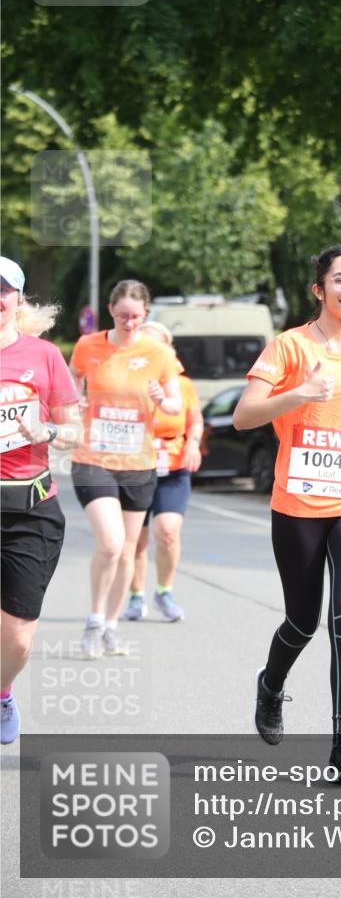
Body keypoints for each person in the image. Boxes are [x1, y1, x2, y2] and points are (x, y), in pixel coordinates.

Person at [233, 244, 341, 778]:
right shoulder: (288, 347)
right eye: (340, 280)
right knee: (303, 620)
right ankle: (271, 685)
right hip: (298, 503)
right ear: (319, 289)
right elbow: (243, 418)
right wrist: (300, 393)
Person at [69, 280, 181, 659]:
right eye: (121, 316)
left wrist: (161, 398)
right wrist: (73, 406)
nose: (129, 322)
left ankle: (112, 625)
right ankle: (94, 619)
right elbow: (70, 385)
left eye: (135, 316)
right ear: (111, 311)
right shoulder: (89, 346)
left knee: (129, 549)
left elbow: (175, 409)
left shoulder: (159, 353)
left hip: (139, 463)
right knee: (112, 543)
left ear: (146, 313)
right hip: (93, 459)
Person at [0, 257, 82, 744]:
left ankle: (2, 690)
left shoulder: (44, 356)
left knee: (18, 635)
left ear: (17, 299)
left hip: (29, 508)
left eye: (2, 290)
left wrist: (46, 429)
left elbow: (74, 430)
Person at [122, 321, 203, 623]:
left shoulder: (183, 385)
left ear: (168, 351)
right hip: (134, 468)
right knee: (136, 541)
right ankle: (135, 595)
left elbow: (194, 420)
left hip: (172, 467)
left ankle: (164, 590)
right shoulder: (127, 382)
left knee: (167, 531)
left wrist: (193, 444)